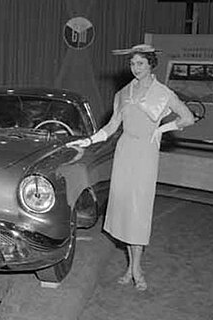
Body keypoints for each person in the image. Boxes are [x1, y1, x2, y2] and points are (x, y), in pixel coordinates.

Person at [68, 44, 195, 291]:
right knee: (126, 210)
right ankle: (130, 267)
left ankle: (137, 268)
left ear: (150, 65)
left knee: (139, 211)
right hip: (125, 151)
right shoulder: (123, 93)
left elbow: (188, 117)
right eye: (132, 63)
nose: (135, 68)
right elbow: (110, 128)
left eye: (140, 63)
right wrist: (88, 140)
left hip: (145, 153)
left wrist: (161, 129)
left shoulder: (163, 93)